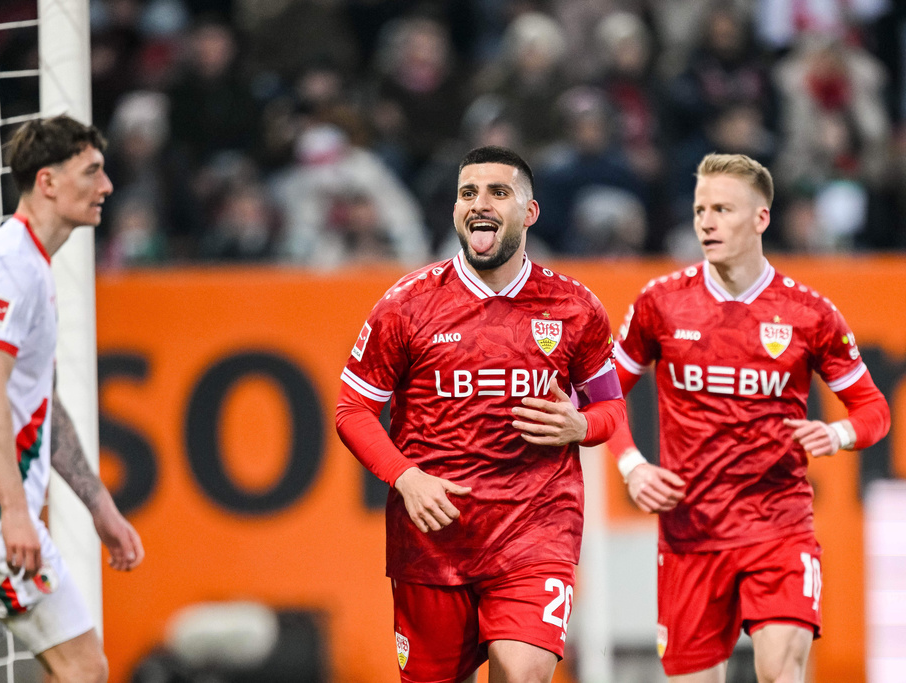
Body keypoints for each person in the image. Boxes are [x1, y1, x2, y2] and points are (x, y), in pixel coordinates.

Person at [335, 146, 626, 683]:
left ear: (529, 212)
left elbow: (610, 406)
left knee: (523, 674)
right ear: (455, 209)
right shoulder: (406, 305)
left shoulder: (574, 307)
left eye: (498, 192)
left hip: (535, 530)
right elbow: (353, 408)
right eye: (468, 193)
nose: (480, 203)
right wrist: (406, 477)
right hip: (433, 539)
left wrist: (582, 425)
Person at [606, 153, 891, 683]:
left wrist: (838, 432)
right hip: (690, 533)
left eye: (722, 209)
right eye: (700, 210)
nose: (706, 223)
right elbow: (603, 396)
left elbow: (874, 410)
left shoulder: (809, 313)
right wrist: (633, 467)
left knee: (781, 671)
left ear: (761, 218)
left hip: (778, 527)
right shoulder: (661, 303)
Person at [0, 115, 144, 683]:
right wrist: (15, 512)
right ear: (48, 182)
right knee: (82, 668)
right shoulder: (11, 268)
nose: (106, 186)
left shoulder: (26, 262)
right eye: (92, 171)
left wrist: (99, 506)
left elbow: (41, 406)